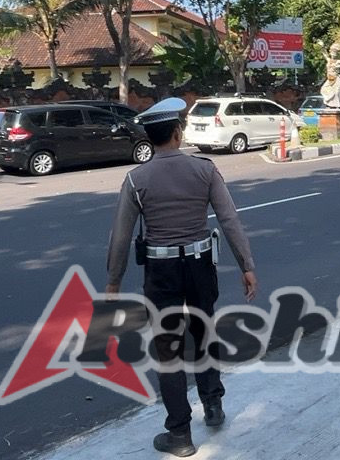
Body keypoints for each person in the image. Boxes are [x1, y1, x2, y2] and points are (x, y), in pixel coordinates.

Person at [105, 97, 258, 458]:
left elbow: (121, 236)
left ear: (152, 136)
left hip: (161, 274)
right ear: (177, 132)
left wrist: (113, 281)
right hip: (201, 265)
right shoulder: (205, 170)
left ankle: (180, 434)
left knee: (168, 348)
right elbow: (229, 220)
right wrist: (247, 266)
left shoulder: (136, 178)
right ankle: (214, 404)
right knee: (204, 331)